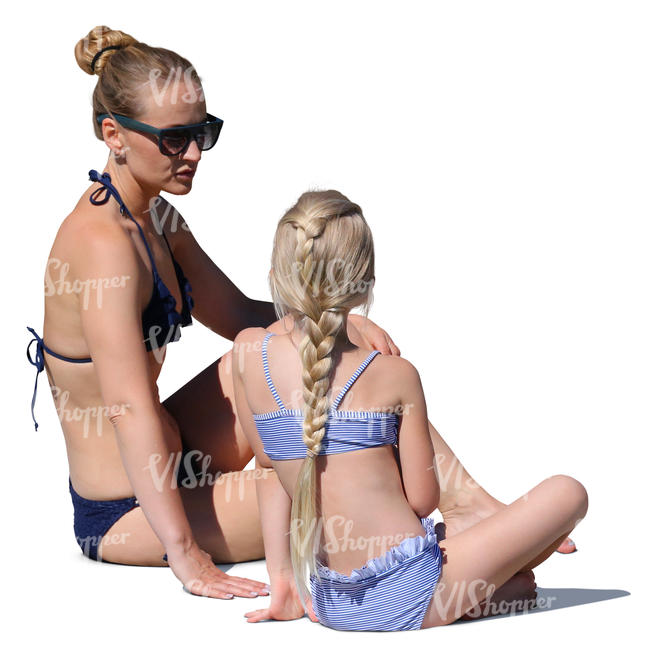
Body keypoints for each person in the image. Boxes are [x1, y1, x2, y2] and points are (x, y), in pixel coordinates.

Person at [25, 25, 574, 601]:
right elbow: (127, 409)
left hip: (179, 448)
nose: (193, 153)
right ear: (113, 134)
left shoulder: (154, 217)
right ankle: (467, 555)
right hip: (126, 506)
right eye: (174, 139)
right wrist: (186, 558)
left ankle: (468, 503)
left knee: (304, 352)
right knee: (347, 484)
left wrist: (333, 322)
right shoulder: (100, 244)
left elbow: (240, 314)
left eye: (203, 133)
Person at [231, 189, 588, 630]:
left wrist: (283, 581)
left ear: (276, 275)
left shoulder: (247, 353)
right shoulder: (395, 374)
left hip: (330, 603)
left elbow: (268, 467)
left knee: (479, 554)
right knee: (568, 492)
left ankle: (482, 590)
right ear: (365, 284)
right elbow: (422, 501)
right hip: (412, 592)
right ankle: (479, 592)